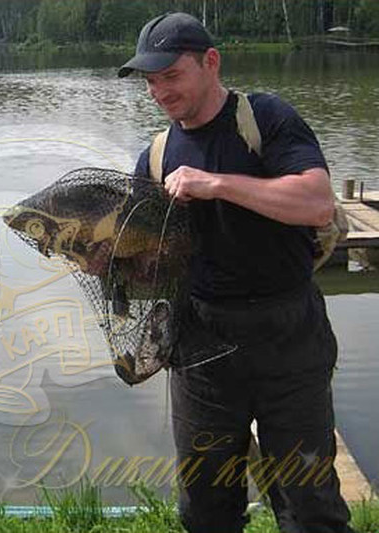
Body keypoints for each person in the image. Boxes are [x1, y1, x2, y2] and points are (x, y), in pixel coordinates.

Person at [120, 12, 355, 533]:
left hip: (288, 337)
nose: (159, 91)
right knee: (205, 508)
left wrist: (217, 184)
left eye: (170, 75)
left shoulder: (266, 119)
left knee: (309, 505)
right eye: (151, 81)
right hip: (200, 345)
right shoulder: (155, 157)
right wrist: (117, 262)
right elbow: (147, 266)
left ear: (211, 62)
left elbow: (317, 202)